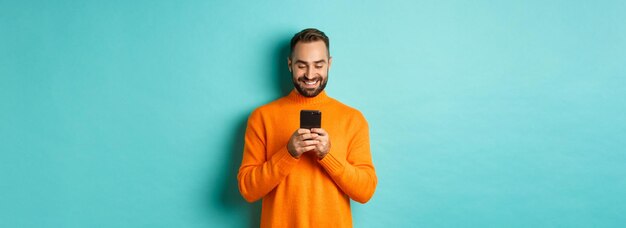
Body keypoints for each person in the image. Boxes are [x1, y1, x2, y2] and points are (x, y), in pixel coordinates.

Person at [237, 28, 377, 228]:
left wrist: (328, 155)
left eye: (318, 65)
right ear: (290, 65)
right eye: (302, 65)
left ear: (329, 64)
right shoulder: (262, 117)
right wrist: (288, 153)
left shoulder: (353, 119)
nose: (310, 75)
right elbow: (248, 190)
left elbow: (365, 192)